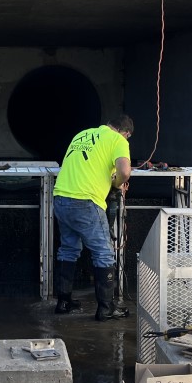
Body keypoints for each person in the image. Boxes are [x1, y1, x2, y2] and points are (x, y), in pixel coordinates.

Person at [52, 115, 134, 321]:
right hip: (86, 201)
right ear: (126, 133)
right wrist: (116, 183)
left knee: (68, 249)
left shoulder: (82, 135)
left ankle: (63, 302)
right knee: (104, 253)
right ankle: (106, 308)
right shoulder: (119, 141)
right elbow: (124, 171)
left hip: (61, 197)